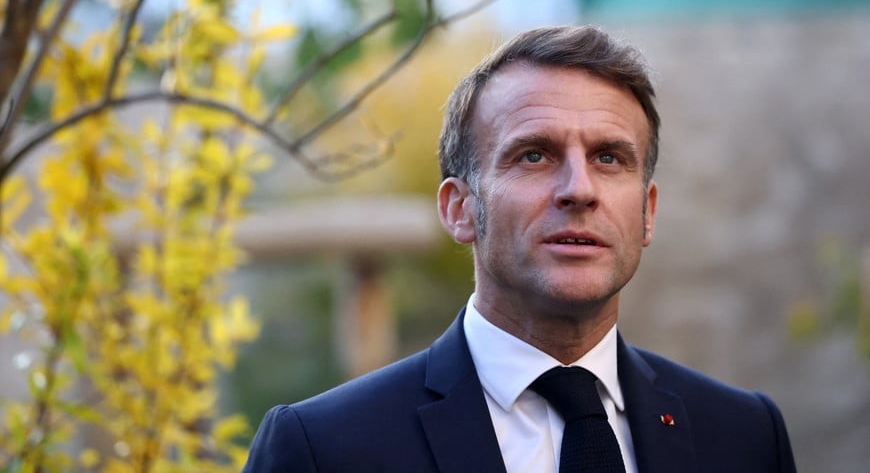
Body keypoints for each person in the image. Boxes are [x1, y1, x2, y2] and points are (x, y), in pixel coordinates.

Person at [243, 25, 797, 472]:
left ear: (648, 211)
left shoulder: (745, 437)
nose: (579, 188)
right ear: (459, 208)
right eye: (534, 155)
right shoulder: (325, 449)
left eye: (609, 157)